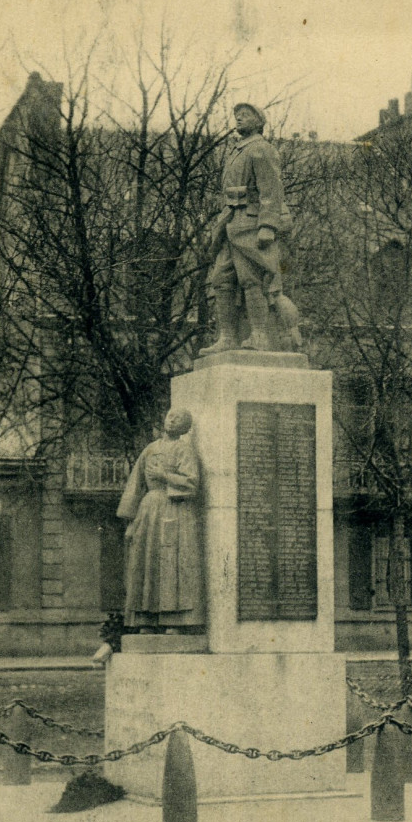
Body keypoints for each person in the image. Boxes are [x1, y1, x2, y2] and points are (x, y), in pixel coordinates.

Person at [201, 102, 300, 354]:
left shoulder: (260, 150)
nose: (239, 119)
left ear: (259, 121)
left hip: (251, 223)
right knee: (221, 280)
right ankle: (227, 337)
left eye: (245, 115)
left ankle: (259, 336)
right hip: (231, 222)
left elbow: (271, 190)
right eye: (237, 116)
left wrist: (267, 225)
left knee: (251, 279)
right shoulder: (237, 150)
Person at [117, 407, 204, 632]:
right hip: (148, 509)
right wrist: (130, 522)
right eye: (170, 416)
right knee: (146, 562)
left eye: (179, 419)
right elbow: (135, 485)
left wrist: (165, 476)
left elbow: (192, 483)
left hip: (174, 508)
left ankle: (173, 621)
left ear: (185, 428)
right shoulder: (150, 449)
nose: (172, 420)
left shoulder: (185, 450)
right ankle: (146, 619)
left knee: (170, 563)